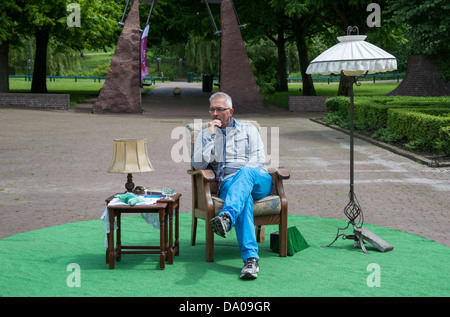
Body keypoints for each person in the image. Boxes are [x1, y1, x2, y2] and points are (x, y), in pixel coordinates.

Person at [192, 92, 272, 279]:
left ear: (230, 111)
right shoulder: (205, 134)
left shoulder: (249, 130)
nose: (215, 113)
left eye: (220, 109)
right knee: (242, 201)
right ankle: (251, 260)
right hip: (228, 183)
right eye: (212, 109)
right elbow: (198, 165)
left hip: (257, 179)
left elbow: (259, 159)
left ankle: (226, 217)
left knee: (244, 174)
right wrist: (210, 137)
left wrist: (243, 177)